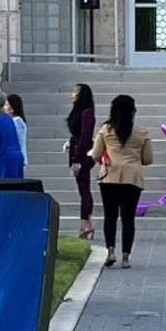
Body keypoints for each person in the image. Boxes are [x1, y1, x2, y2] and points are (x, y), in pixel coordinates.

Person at [95, 92, 152, 267]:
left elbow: (96, 154)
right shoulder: (142, 132)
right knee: (128, 218)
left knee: (110, 216)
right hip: (132, 178)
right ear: (132, 112)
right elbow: (148, 159)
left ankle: (110, 251)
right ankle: (126, 257)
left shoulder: (105, 130)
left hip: (109, 177)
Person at [65, 82, 96, 238]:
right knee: (83, 189)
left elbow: (85, 137)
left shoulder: (87, 113)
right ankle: (88, 223)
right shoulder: (79, 112)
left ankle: (84, 224)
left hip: (82, 153)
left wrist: (77, 159)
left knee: (84, 190)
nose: (72, 94)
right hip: (76, 149)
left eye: (75, 92)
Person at [5, 91, 29, 172]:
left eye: (6, 105)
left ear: (12, 108)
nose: (4, 107)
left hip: (17, 158)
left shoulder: (17, 121)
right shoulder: (12, 120)